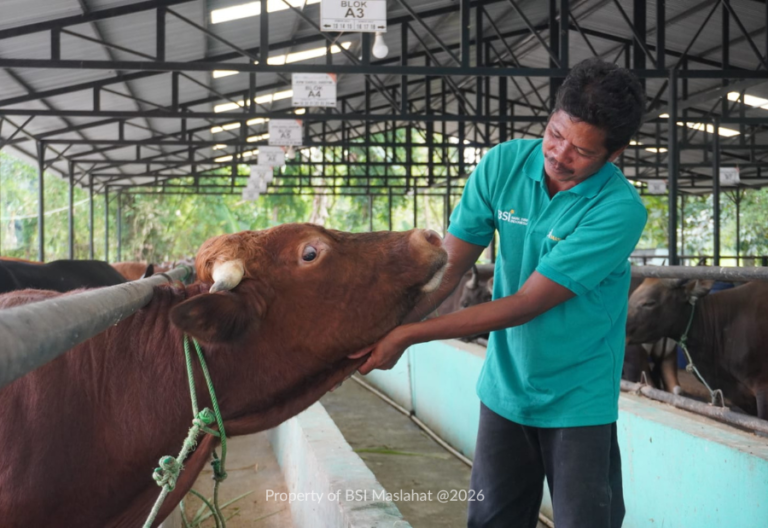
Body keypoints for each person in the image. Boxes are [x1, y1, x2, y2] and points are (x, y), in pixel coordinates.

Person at [353, 58, 648, 528]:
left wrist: (410, 335)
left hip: (577, 397)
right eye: (555, 134)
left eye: (581, 151)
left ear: (614, 155)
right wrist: (386, 324)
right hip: (505, 388)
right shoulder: (504, 164)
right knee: (492, 520)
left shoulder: (618, 211)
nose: (558, 154)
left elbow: (527, 303)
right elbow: (446, 269)